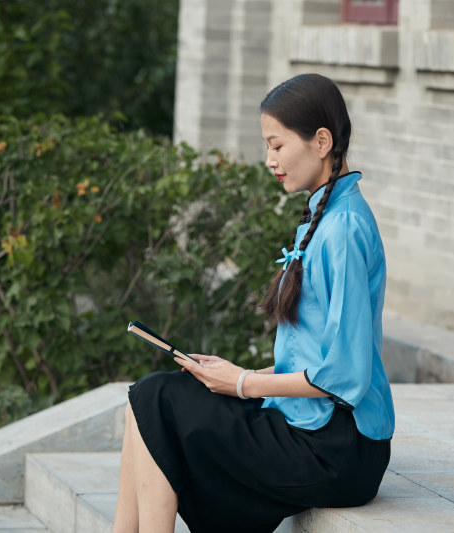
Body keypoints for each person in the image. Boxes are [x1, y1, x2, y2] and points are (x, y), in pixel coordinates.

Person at [111, 73, 395, 533]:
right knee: (150, 398)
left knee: (154, 397)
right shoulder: (325, 215)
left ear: (321, 141)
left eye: (277, 145)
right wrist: (228, 376)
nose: (269, 160)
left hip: (336, 448)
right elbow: (318, 358)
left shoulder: (342, 228)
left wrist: (243, 383)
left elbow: (344, 376)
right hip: (317, 429)